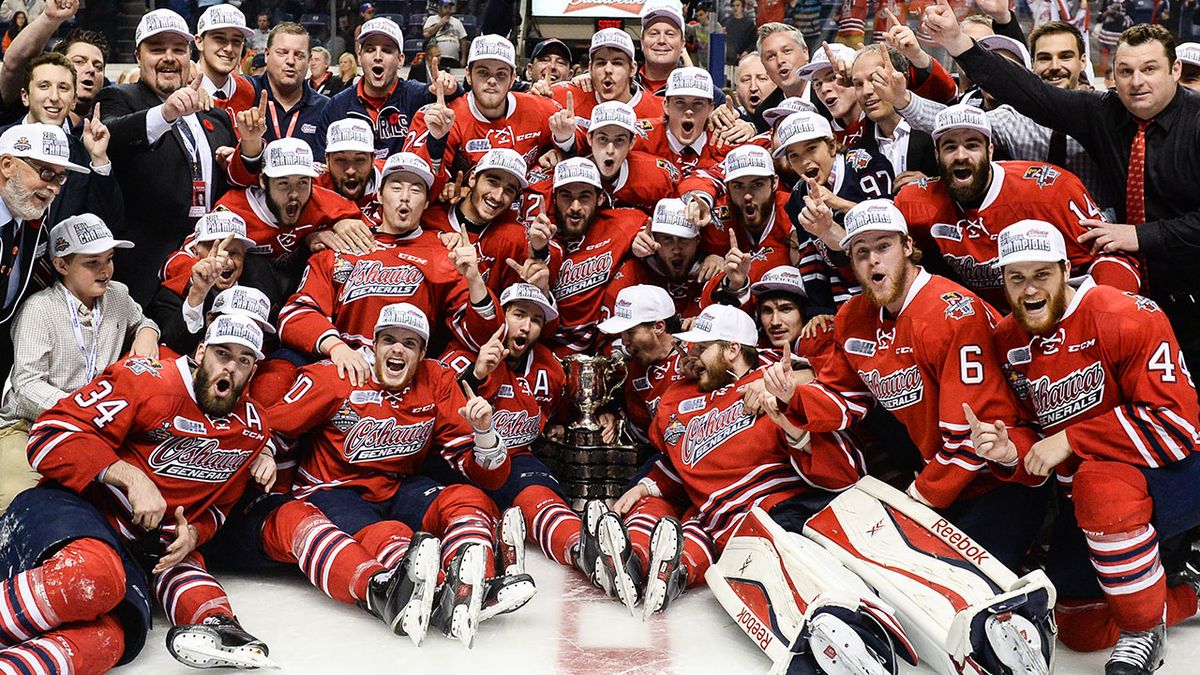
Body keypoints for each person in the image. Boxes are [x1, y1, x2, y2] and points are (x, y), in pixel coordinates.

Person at [764, 200, 1046, 569]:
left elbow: (972, 436)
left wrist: (919, 496)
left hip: (1003, 478)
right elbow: (845, 398)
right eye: (861, 252)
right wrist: (793, 396)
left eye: (883, 247)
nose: (873, 261)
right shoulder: (854, 317)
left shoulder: (953, 314)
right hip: (940, 473)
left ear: (908, 247)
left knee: (960, 588)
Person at [923, 11, 1200, 375]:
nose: (1136, 82)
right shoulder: (1106, 111)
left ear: (1175, 70)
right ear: (1110, 74)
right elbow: (1030, 94)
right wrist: (957, 41)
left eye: (1149, 69)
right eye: (1125, 71)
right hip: (1142, 297)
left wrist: (1140, 235)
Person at [0, 314, 277, 670]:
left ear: (253, 370)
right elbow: (49, 434)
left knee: (113, 638)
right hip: (72, 509)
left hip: (134, 551)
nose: (231, 368)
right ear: (201, 351)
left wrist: (194, 534)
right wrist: (129, 475)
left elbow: (221, 505)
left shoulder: (253, 429)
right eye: (222, 353)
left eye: (244, 360)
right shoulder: (144, 380)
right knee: (95, 575)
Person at [984, 220, 1200, 674]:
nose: (1028, 290)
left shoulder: (1124, 314)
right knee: (1079, 627)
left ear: (1065, 269)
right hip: (1087, 502)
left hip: (1176, 474)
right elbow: (1032, 439)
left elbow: (1178, 427)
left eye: (1041, 274)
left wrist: (1072, 438)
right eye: (1015, 277)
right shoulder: (1007, 339)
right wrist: (1010, 453)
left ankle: (1143, 628)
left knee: (1099, 480)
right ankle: (1189, 589)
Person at [266, 302, 535, 647]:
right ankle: (438, 593)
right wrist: (267, 451)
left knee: (469, 498)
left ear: (422, 353)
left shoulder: (436, 380)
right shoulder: (336, 376)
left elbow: (490, 478)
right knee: (391, 534)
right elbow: (270, 425)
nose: (397, 349)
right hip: (331, 490)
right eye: (389, 340)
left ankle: (475, 584)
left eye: (409, 344)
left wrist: (484, 433)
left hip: (396, 486)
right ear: (373, 345)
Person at [892, 104, 1141, 310]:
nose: (960, 156)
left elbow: (1114, 254)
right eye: (949, 146)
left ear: (990, 151)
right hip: (988, 322)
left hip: (1058, 313)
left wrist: (1105, 310)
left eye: (972, 145)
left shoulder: (1051, 190)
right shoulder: (915, 202)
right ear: (936, 156)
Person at [279, 151, 503, 378]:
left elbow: (484, 340)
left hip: (405, 379)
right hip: (344, 373)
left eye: (415, 190)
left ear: (426, 202)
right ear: (378, 195)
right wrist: (337, 348)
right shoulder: (341, 244)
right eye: (396, 187)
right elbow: (295, 315)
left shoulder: (444, 253)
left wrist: (474, 279)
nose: (405, 196)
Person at [0, 214, 158, 513]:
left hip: (96, 429)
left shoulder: (118, 296)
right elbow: (27, 384)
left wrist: (148, 333)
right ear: (61, 265)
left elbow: (144, 320)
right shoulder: (39, 310)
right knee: (17, 496)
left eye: (109, 259)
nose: (105, 271)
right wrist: (81, 412)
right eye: (91, 262)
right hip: (29, 425)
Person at [883, 21, 1112, 212]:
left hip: (1098, 233)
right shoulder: (1013, 116)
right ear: (1032, 66)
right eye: (1044, 58)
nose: (1054, 66)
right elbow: (954, 120)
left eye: (1065, 56)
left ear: (1082, 61)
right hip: (1032, 234)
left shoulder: (1105, 112)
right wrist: (903, 98)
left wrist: (1105, 222)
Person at [97, 9, 237, 304]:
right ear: (138, 56)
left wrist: (249, 152)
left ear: (190, 56)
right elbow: (111, 135)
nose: (169, 57)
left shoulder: (216, 116)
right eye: (157, 49)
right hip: (146, 275)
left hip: (210, 268)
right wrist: (165, 114)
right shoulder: (119, 98)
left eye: (178, 49)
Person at [405, 34, 567, 183]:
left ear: (512, 79)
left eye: (501, 74)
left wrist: (562, 149)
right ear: (468, 75)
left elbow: (584, 146)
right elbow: (416, 185)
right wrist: (436, 142)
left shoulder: (542, 108)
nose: (491, 80)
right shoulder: (445, 117)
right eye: (483, 72)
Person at [0, 122, 89, 378]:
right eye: (46, 173)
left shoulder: (33, 213)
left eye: (61, 177)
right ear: (8, 165)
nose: (55, 188)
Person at [314, 17, 459, 162]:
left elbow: (463, 105)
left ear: (400, 60)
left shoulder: (418, 96)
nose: (378, 57)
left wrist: (451, 89)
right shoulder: (336, 107)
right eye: (370, 50)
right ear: (359, 57)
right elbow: (321, 164)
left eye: (387, 50)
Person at [545, 157, 649, 355]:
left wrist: (709, 256)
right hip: (545, 347)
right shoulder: (539, 231)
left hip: (602, 346)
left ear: (600, 198)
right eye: (567, 196)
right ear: (554, 197)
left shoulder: (623, 223)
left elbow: (668, 239)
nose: (575, 207)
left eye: (584, 197)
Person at [13, 51, 124, 231]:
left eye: (63, 88)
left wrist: (99, 160)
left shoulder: (84, 154)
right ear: (25, 96)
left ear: (73, 101)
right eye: (44, 86)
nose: (55, 97)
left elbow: (108, 226)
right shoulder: (2, 141)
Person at [148, 211, 260, 356]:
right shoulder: (170, 295)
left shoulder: (263, 279)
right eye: (217, 251)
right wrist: (198, 294)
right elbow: (173, 346)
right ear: (195, 252)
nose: (226, 261)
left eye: (234, 253)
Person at [548, 29, 664, 126]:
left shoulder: (660, 109)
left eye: (617, 63)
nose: (608, 70)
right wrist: (538, 91)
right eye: (601, 63)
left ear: (632, 69)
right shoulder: (564, 97)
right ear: (590, 68)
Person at [251, 22, 328, 148]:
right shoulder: (247, 92)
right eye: (282, 53)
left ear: (309, 61)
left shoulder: (325, 108)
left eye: (299, 55)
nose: (291, 61)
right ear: (267, 55)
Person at [194, 5, 256, 114]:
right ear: (199, 42)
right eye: (219, 39)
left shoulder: (247, 90)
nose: (229, 49)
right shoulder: (182, 88)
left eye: (236, 41)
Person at [52, 28, 110, 129]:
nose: (91, 69)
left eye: (98, 66)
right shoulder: (32, 124)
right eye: (79, 61)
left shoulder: (111, 127)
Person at [318, 118, 381, 209]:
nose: (350, 170)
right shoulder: (312, 185)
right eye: (340, 160)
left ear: (372, 159)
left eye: (359, 160)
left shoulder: (392, 179)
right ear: (327, 160)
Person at [637, 0, 687, 94]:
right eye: (654, 34)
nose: (661, 40)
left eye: (670, 34)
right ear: (642, 42)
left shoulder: (705, 93)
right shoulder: (623, 86)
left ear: (682, 44)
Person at [423, 0, 468, 68]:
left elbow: (463, 40)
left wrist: (463, 58)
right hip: (437, 58)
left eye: (450, 8)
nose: (448, 10)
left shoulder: (457, 22)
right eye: (445, 7)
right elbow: (426, 34)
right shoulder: (431, 19)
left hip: (453, 58)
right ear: (440, 8)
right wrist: (440, 24)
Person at [733, 52, 777, 119]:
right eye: (746, 80)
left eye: (762, 78)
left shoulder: (789, 118)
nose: (753, 88)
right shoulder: (731, 119)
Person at [725, 0, 757, 65]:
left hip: (744, 58)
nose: (735, 8)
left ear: (742, 7)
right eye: (733, 6)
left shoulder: (749, 23)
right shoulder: (727, 22)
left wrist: (745, 52)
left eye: (737, 5)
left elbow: (753, 42)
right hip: (729, 59)